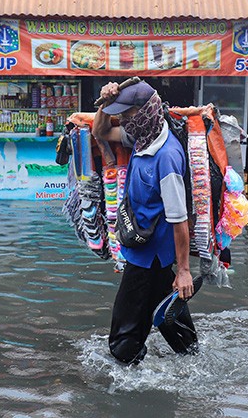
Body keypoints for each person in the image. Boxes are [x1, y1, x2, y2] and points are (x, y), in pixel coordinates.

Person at [92, 80, 198, 365]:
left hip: (148, 256)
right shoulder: (142, 138)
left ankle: (124, 381)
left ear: (144, 112)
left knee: (124, 333)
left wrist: (185, 270)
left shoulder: (167, 156)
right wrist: (104, 102)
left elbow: (180, 219)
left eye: (126, 115)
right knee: (167, 312)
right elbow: (100, 131)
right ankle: (192, 357)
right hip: (148, 250)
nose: (123, 120)